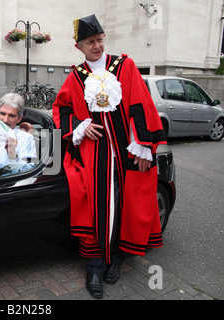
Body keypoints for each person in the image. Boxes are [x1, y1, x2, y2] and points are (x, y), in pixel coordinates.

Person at [52, 14, 166, 298]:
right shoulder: (76, 77)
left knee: (127, 205)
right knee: (97, 206)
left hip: (127, 152)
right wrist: (80, 125)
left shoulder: (124, 66)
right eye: (90, 41)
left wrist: (143, 145)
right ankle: (94, 266)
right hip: (94, 156)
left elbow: (141, 102)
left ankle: (117, 258)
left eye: (100, 39)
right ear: (79, 46)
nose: (97, 46)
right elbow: (61, 108)